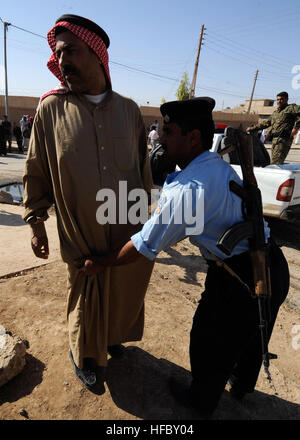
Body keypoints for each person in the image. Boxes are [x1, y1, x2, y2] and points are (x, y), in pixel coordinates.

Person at [78, 97, 290, 417]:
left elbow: (145, 244)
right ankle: (242, 386)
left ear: (193, 138)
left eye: (169, 131)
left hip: (238, 277)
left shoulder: (190, 188)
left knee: (208, 342)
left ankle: (201, 401)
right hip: (272, 264)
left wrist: (102, 262)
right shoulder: (215, 165)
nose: (161, 138)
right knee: (253, 333)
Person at [22, 14, 154, 391]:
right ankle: (84, 355)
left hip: (123, 225)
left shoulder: (128, 111)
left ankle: (110, 338)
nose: (63, 62)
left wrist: (143, 223)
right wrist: (35, 223)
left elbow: (142, 171)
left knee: (118, 286)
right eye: (58, 53)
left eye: (71, 51)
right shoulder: (50, 110)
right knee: (84, 292)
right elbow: (36, 171)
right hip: (79, 232)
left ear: (98, 55)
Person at [247, 91, 300, 164]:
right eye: (277, 99)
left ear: (286, 99)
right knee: (274, 163)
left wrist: (296, 127)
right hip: (275, 140)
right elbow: (266, 123)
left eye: (281, 99)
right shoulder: (276, 113)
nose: (279, 101)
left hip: (283, 140)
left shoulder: (291, 108)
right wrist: (252, 128)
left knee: (276, 163)